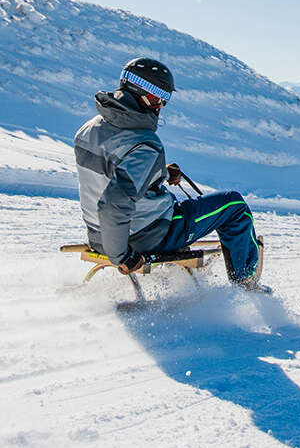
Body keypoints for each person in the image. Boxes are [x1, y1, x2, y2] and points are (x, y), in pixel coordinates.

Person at [73, 57, 263, 288]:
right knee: (234, 206)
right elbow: (114, 202)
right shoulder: (144, 144)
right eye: (156, 98)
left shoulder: (91, 127)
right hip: (143, 238)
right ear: (138, 93)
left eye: (164, 99)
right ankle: (247, 284)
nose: (160, 106)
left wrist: (158, 172)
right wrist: (122, 257)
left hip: (98, 235)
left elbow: (111, 171)